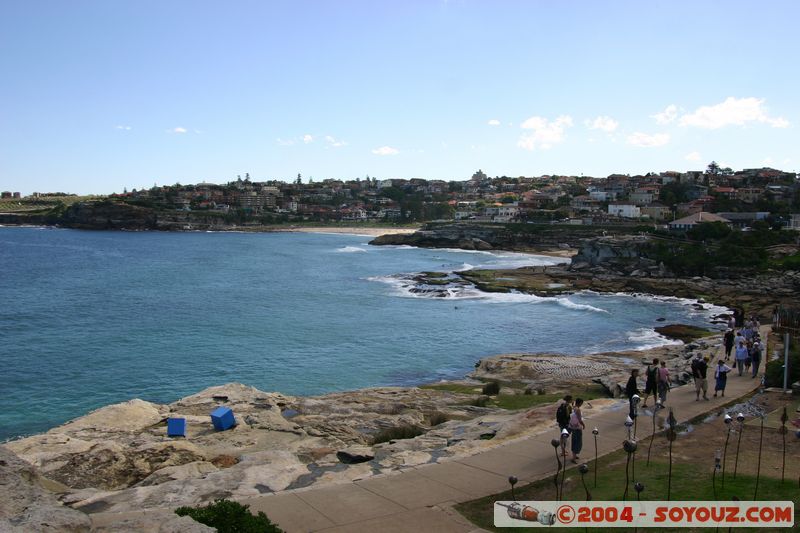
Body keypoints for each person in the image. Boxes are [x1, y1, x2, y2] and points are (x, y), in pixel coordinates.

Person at [568, 398, 586, 463]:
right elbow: (580, 420)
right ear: (580, 403)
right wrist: (583, 425)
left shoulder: (573, 408)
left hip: (573, 427)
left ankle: (574, 455)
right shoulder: (578, 410)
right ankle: (573, 458)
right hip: (577, 428)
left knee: (574, 441)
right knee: (578, 443)